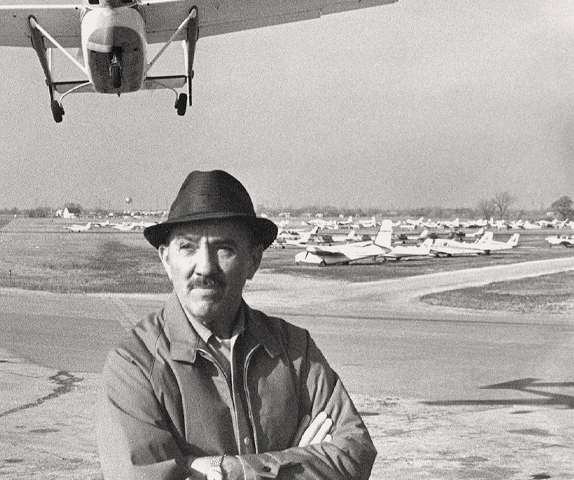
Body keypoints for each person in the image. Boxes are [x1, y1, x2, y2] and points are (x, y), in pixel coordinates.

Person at [97, 170, 376, 480]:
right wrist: (298, 461)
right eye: (187, 247)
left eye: (224, 248)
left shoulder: (296, 349)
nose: (204, 267)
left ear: (253, 261)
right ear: (166, 260)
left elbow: (355, 451)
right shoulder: (135, 365)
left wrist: (229, 470)